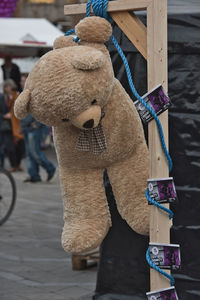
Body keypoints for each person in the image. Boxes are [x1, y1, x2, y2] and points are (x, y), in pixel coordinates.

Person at [21, 115, 56, 182]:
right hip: (26, 127)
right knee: (29, 154)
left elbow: (43, 109)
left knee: (35, 152)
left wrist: (38, 123)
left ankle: (50, 168)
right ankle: (34, 175)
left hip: (34, 128)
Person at [3, 79, 24, 171]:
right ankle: (13, 165)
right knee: (10, 147)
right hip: (6, 126)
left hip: (17, 124)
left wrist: (12, 115)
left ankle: (18, 164)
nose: (7, 89)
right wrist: (4, 115)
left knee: (20, 147)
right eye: (5, 87)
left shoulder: (18, 96)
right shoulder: (3, 98)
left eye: (8, 86)